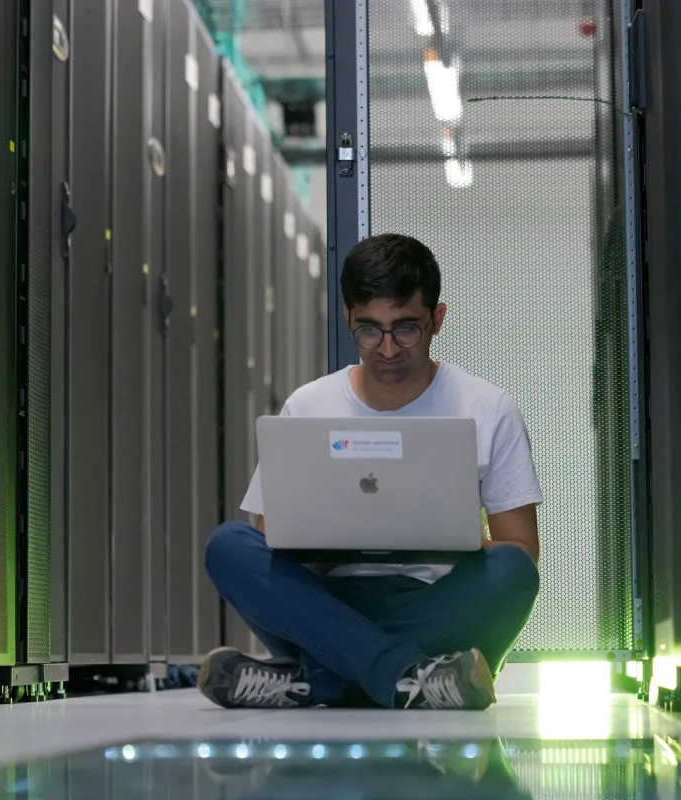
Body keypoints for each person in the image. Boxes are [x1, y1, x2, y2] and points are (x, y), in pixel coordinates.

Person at [198, 233, 543, 711]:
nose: (386, 348)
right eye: (368, 330)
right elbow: (268, 536)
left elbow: (522, 550)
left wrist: (448, 536)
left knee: (512, 572)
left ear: (437, 319)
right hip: (326, 603)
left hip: (433, 599)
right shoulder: (309, 404)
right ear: (347, 319)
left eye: (405, 328)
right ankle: (413, 677)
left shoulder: (488, 408)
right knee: (229, 547)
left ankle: (318, 681)